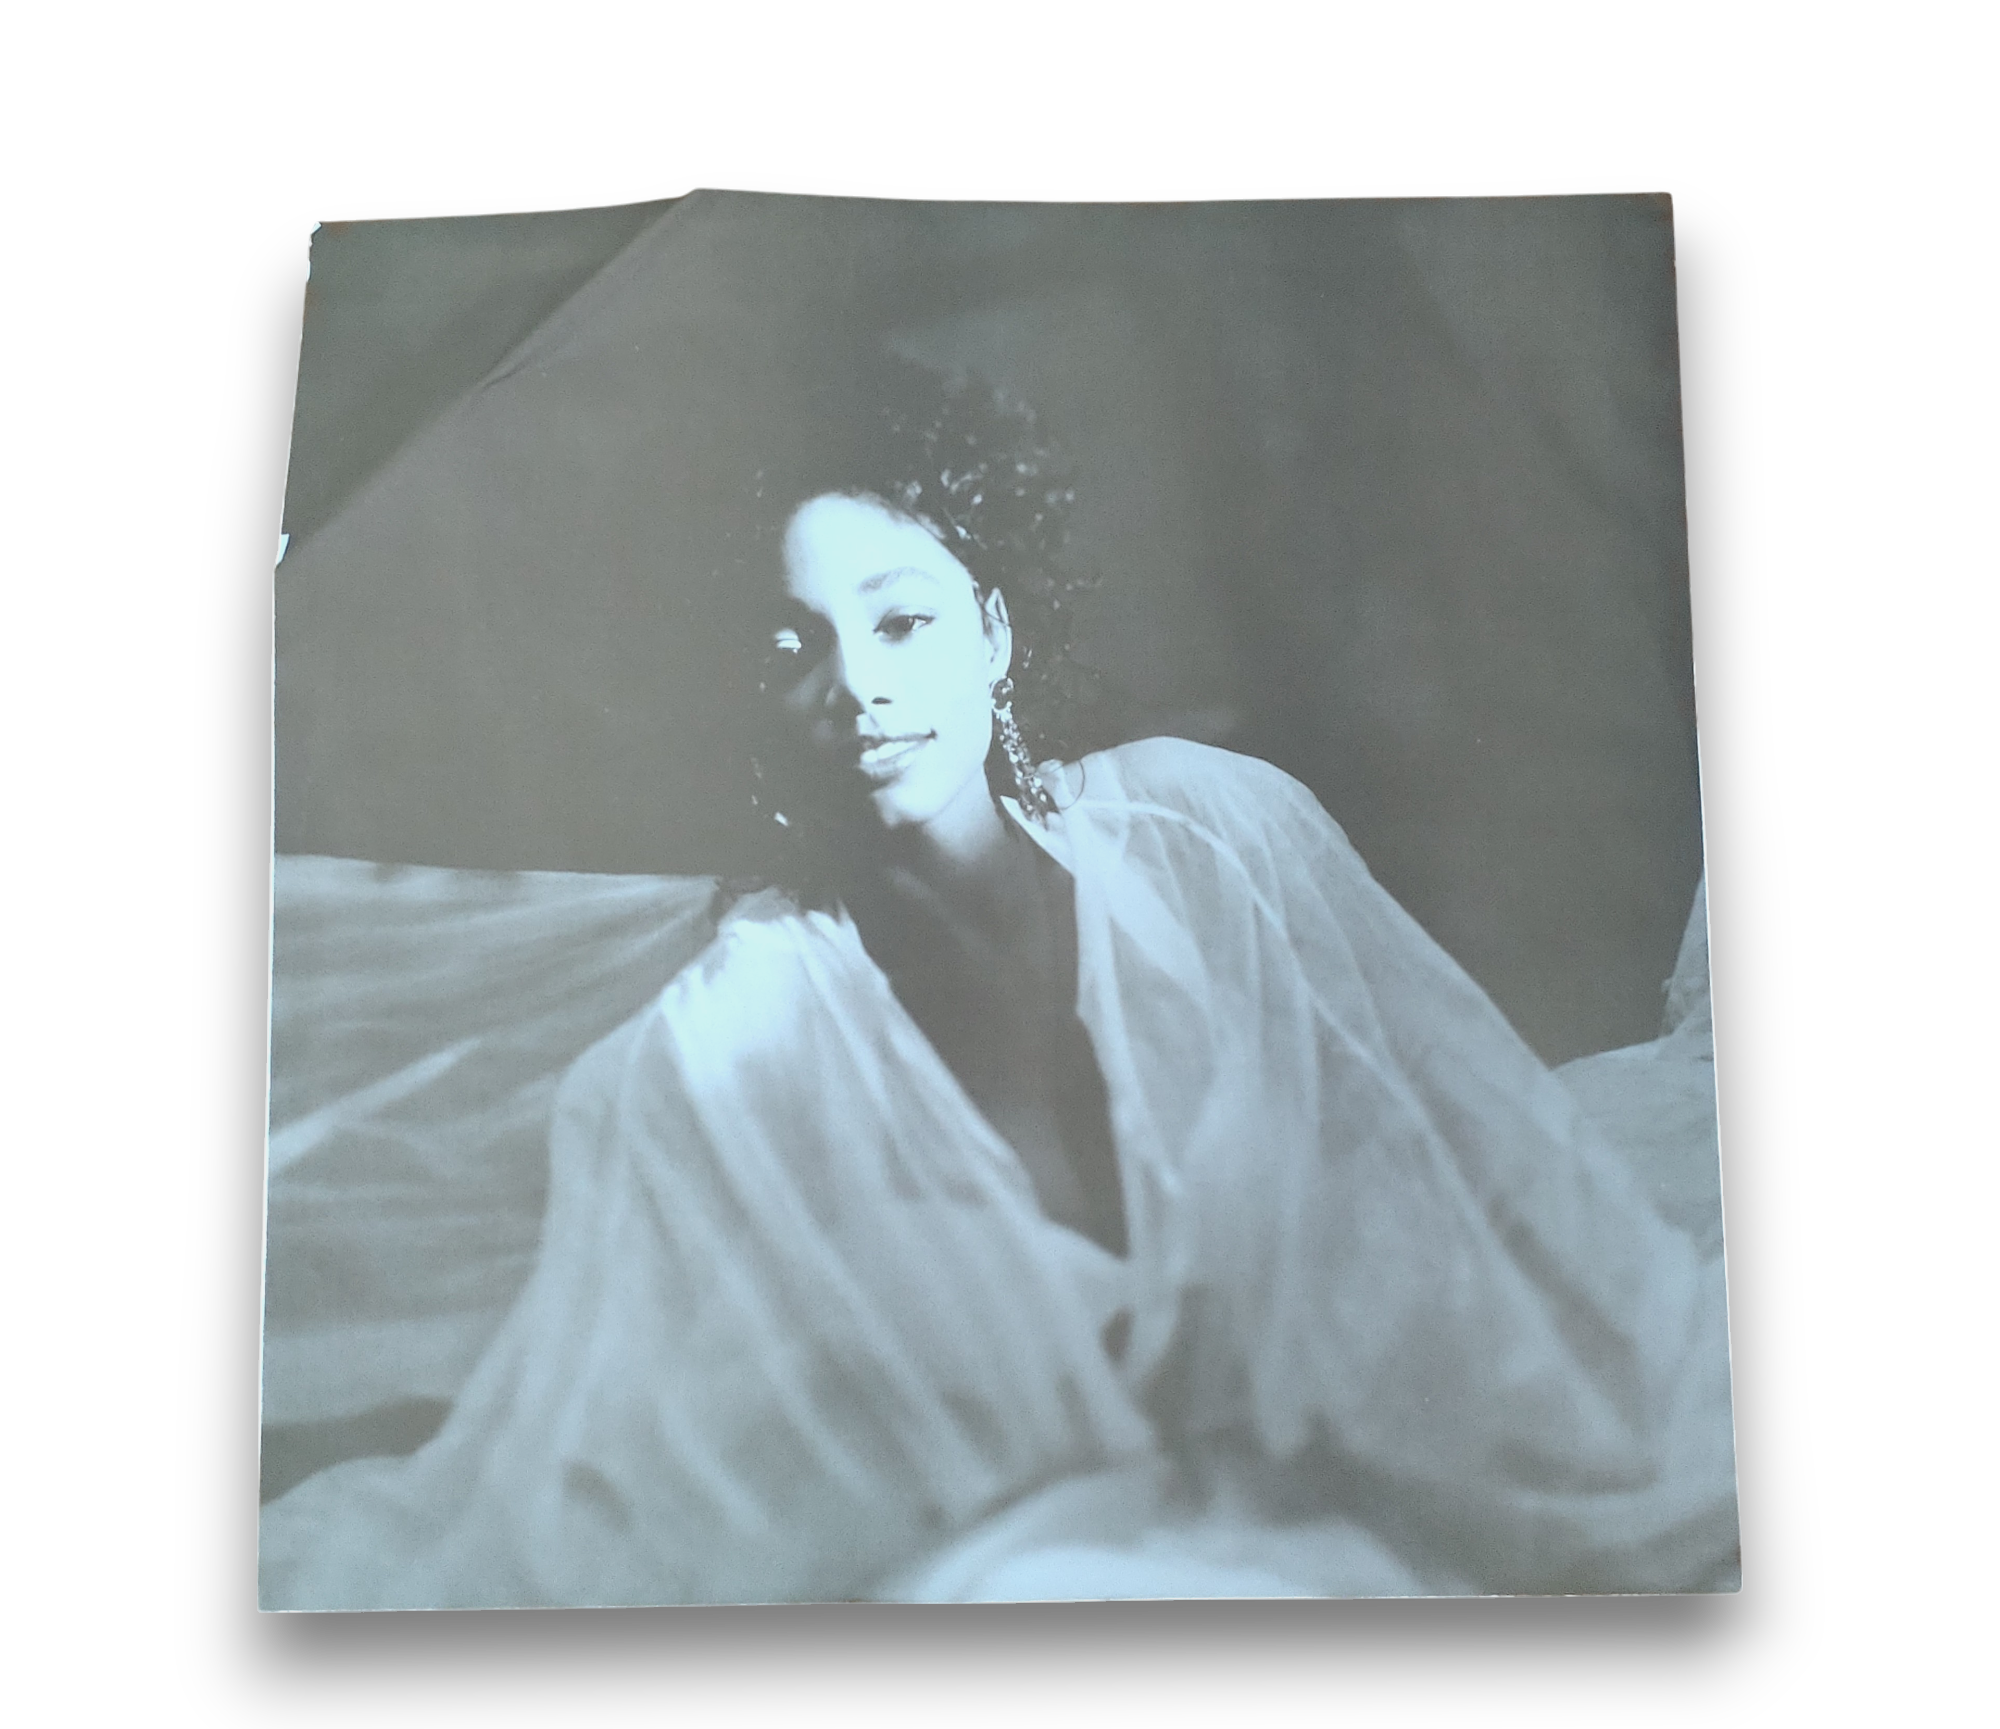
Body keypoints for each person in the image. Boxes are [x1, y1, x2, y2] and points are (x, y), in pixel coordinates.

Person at [258, 356, 1739, 1606]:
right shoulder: (738, 1036)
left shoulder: (1211, 833)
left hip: (1377, 1489)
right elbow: (681, 1475)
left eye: (901, 620)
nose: (860, 685)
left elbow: (1476, 1160)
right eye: (797, 647)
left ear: (996, 634)